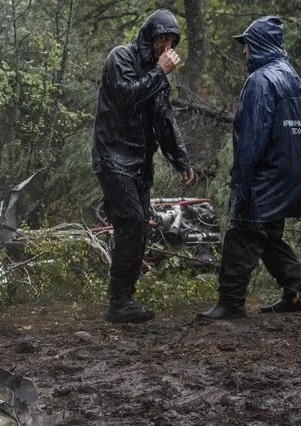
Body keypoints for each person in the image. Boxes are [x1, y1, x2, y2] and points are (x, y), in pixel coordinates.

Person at [197, 16, 301, 320]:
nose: (244, 52)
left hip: (266, 174)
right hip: (292, 174)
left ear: (260, 44)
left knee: (242, 230)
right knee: (269, 234)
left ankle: (230, 303)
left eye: (247, 45)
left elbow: (252, 137)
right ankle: (296, 293)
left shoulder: (261, 81)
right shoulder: (293, 77)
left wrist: (242, 181)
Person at [92, 9, 195, 323]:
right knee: (133, 221)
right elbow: (126, 96)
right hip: (112, 156)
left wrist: (181, 160)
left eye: (171, 41)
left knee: (138, 228)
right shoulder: (120, 57)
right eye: (161, 38)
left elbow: (164, 119)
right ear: (150, 36)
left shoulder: (157, 72)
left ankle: (125, 300)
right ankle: (118, 302)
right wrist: (160, 72)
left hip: (141, 160)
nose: (166, 45)